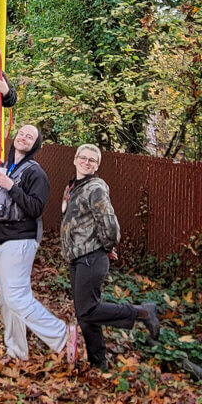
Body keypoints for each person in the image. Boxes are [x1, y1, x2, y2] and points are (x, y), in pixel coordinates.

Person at [0, 124, 77, 363]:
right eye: (21, 133)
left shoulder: (35, 173)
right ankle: (17, 351)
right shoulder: (5, 167)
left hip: (20, 240)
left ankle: (62, 335)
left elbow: (35, 208)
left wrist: (12, 187)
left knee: (16, 297)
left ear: (35, 145)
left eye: (30, 137)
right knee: (5, 299)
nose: (24, 137)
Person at [61, 144, 160, 370]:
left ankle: (143, 312)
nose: (87, 162)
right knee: (86, 317)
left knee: (88, 310)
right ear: (75, 160)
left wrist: (106, 246)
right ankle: (99, 364)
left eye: (92, 160)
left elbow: (110, 224)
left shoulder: (95, 187)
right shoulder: (73, 186)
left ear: (97, 165)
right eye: (83, 158)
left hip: (91, 257)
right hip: (77, 258)